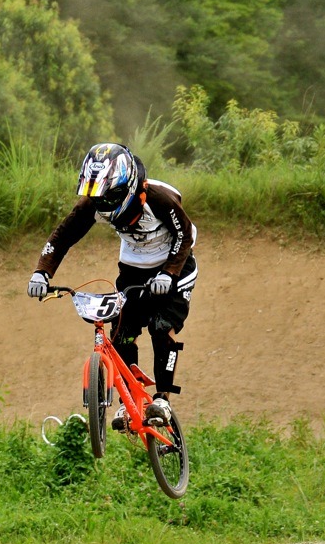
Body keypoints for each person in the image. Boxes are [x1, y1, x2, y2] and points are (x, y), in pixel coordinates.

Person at [27, 142, 198, 429]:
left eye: (110, 196)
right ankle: (128, 402)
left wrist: (169, 273)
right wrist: (41, 272)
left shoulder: (158, 198)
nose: (103, 205)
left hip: (176, 265)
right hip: (133, 270)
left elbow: (184, 237)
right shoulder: (93, 204)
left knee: (160, 325)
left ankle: (163, 400)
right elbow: (62, 237)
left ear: (127, 184)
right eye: (97, 198)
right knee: (122, 332)